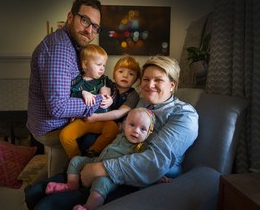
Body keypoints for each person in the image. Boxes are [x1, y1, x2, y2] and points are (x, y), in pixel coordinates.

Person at [24, 55, 199, 210]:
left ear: (172, 85)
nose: (149, 85)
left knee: (47, 205)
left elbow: (155, 162)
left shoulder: (184, 115)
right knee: (34, 193)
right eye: (146, 79)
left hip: (138, 179)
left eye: (158, 80)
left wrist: (99, 169)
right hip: (109, 159)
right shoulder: (142, 104)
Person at [26, 0, 104, 153]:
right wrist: (99, 101)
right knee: (104, 137)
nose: (89, 30)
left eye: (95, 26)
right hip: (52, 128)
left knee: (59, 169)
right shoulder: (60, 49)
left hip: (54, 123)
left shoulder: (72, 45)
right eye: (84, 20)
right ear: (70, 17)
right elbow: (58, 107)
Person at [46, 108, 156, 210]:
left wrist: (157, 177)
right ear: (124, 124)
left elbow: (145, 166)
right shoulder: (121, 134)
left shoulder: (142, 148)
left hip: (111, 175)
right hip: (97, 161)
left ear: (149, 133)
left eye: (143, 129)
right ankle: (72, 184)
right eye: (132, 125)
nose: (136, 131)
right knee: (75, 160)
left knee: (101, 183)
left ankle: (89, 207)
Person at [61, 55, 141, 159]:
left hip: (109, 124)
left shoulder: (133, 95)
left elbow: (119, 113)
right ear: (114, 73)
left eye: (131, 74)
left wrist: (95, 117)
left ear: (136, 79)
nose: (125, 76)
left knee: (92, 140)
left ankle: (91, 157)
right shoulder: (105, 84)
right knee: (80, 139)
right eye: (121, 72)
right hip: (92, 119)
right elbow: (88, 98)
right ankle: (76, 159)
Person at [59, 43, 117, 159]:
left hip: (102, 119)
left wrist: (111, 99)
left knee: (114, 129)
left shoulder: (104, 80)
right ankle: (76, 158)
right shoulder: (77, 81)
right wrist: (83, 93)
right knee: (65, 136)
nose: (102, 68)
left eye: (104, 65)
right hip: (83, 120)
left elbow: (115, 91)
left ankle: (93, 152)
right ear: (85, 64)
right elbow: (69, 95)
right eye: (98, 64)